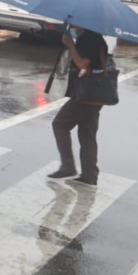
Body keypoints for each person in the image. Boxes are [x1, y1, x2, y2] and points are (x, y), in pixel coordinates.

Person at [49, 27, 109, 186]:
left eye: (76, 23)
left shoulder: (91, 39)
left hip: (87, 94)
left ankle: (68, 167)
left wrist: (70, 44)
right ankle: (89, 175)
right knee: (87, 134)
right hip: (97, 93)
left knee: (60, 124)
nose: (74, 26)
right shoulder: (95, 37)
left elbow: (83, 64)